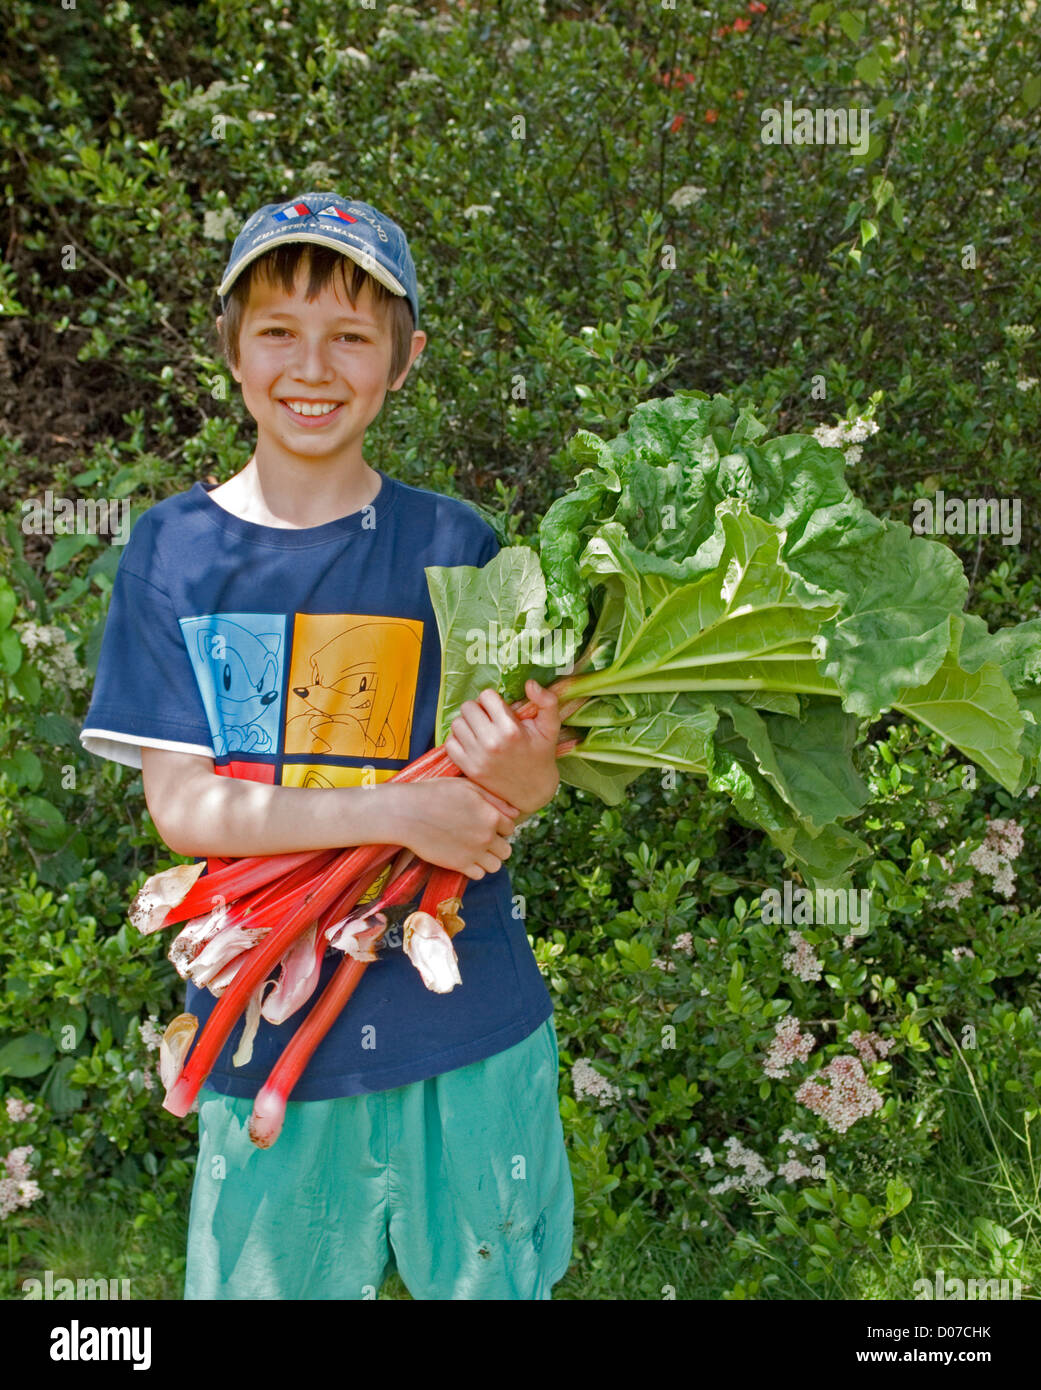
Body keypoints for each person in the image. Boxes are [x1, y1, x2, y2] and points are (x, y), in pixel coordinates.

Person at [79, 193, 575, 1300]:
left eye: (352, 333)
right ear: (232, 350)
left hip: (466, 1020)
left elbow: (524, 785)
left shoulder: (457, 542)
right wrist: (397, 811)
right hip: (265, 1034)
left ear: (404, 360)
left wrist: (520, 766)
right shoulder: (174, 550)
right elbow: (187, 809)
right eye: (278, 331)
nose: (314, 365)